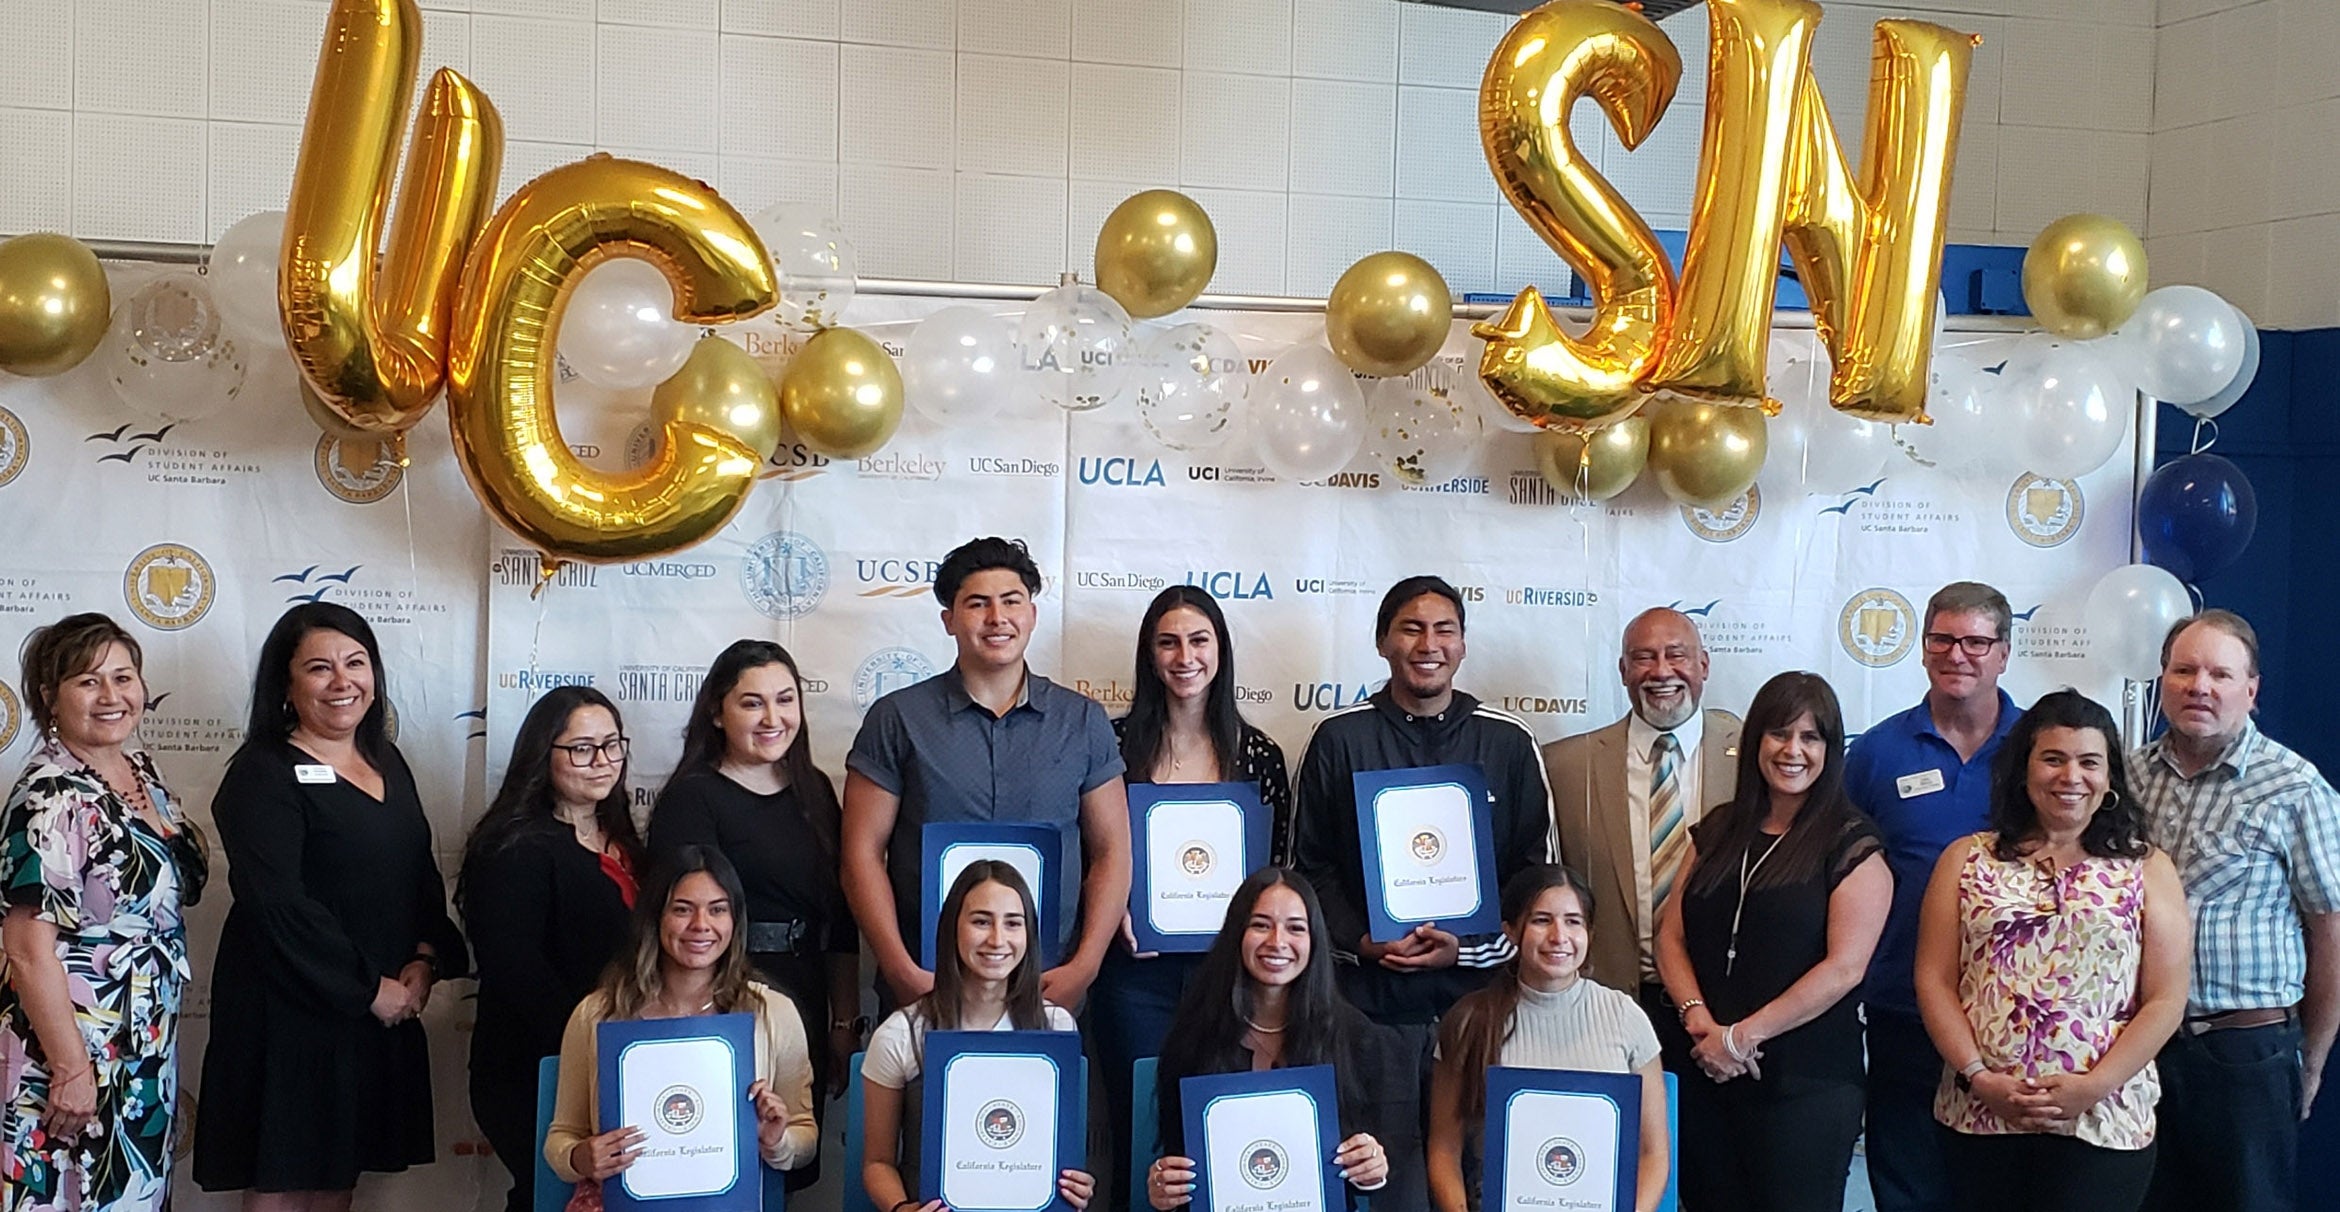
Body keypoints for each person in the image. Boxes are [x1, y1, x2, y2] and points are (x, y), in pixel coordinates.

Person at [1287, 575, 1554, 1212]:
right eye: (1411, 628)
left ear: (1463, 644)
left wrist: (1465, 952)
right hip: (1369, 1016)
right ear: (1383, 642)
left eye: (1444, 630)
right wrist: (1362, 940)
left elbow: (1535, 882)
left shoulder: (1509, 743)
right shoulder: (1339, 739)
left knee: (1488, 1184)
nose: (1428, 644)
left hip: (1483, 1014)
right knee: (1387, 1188)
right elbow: (1305, 871)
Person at [194, 602, 469, 1207]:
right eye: (320, 668)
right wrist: (369, 989)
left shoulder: (386, 760)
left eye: (356, 662)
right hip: (291, 1012)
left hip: (374, 1009)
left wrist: (425, 958)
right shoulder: (262, 775)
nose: (343, 682)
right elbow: (278, 905)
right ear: (286, 688)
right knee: (285, 1187)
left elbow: (417, 873)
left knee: (337, 1183)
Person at [1913, 690, 2188, 1212]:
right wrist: (1979, 1077)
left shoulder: (2148, 869)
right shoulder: (1966, 860)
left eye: (2089, 762)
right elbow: (1934, 980)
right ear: (2024, 769)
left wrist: (2094, 1087)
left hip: (2105, 1118)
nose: (2071, 777)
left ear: (2109, 779)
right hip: (1982, 1111)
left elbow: (2166, 999)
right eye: (2053, 759)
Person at [844, 536, 1131, 1011]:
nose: (997, 619)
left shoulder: (1081, 720)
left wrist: (1085, 966)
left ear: (1033, 616)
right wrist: (899, 970)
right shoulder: (897, 719)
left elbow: (1112, 851)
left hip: (1048, 987)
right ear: (949, 620)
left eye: (1012, 602)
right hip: (927, 983)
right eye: (978, 604)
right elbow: (861, 852)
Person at [1653, 671, 1890, 1212]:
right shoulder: (1716, 829)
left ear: (1831, 750)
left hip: (1806, 1084)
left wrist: (1740, 1038)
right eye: (1780, 733)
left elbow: (1844, 969)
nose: (1793, 751)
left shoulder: (1852, 843)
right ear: (1756, 739)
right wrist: (1701, 1023)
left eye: (1811, 738)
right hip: (1704, 1069)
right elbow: (1670, 935)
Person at [1091, 586, 1292, 1211]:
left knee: (1225, 1132)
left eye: (1199, 640)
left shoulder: (1259, 756)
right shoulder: (1110, 747)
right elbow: (1091, 850)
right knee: (1145, 1134)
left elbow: (1275, 874)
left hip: (1231, 980)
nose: (1185, 656)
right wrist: (1112, 905)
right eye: (1168, 642)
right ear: (1150, 656)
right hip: (1135, 978)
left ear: (1221, 651)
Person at [2132, 611, 2340, 1212]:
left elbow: (2330, 930)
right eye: (2185, 670)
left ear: (2250, 691)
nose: (2201, 686)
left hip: (2245, 1053)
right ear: (2162, 680)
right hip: (2138, 1046)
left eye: (2221, 674)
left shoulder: (2296, 788)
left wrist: (2313, 1057)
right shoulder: (2130, 776)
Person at [0, 614, 199, 1212]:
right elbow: (28, 950)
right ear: (49, 697)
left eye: (124, 677)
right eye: (89, 682)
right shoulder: (51, 794)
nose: (112, 696)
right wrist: (70, 1070)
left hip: (140, 1048)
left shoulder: (142, 773)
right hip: (68, 1058)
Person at [1842, 582, 2024, 1212]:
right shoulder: (1876, 752)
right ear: (1922, 650)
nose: (1958, 655)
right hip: (1902, 1011)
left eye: (1977, 641)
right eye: (1943, 639)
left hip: (2014, 1015)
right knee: (1908, 1188)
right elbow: (1839, 870)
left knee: (2000, 1191)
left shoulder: (2042, 750)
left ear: (2004, 652)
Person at [650, 640, 860, 1128]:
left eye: (785, 700)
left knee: (786, 1150)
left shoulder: (816, 789)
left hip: (805, 997)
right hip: (722, 1002)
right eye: (752, 702)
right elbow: (681, 925)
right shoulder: (691, 799)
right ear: (717, 713)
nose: (773, 717)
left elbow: (841, 917)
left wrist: (844, 1020)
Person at [458, 686, 645, 1212]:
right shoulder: (514, 846)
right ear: (544, 755)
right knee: (549, 1197)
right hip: (536, 1067)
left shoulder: (622, 837)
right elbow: (516, 972)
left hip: (614, 1060)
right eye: (582, 748)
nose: (602, 761)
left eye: (612, 745)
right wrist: (593, 1046)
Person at [544, 846, 819, 1189]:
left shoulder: (772, 1013)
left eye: (717, 910)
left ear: (735, 921)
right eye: (682, 910)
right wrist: (581, 1157)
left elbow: (805, 1137)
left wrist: (777, 1142)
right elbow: (561, 1136)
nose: (701, 925)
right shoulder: (598, 1014)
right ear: (655, 917)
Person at [1145, 868, 1401, 1211]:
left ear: (1315, 941)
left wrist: (1372, 1168)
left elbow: (1371, 1167)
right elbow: (1179, 1163)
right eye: (1260, 925)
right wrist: (1164, 1187)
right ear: (1237, 934)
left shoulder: (1357, 1036)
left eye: (1295, 928)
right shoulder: (1194, 1035)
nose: (1277, 942)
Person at [1428, 865, 1667, 1212]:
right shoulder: (1469, 1022)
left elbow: (1653, 1153)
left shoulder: (1625, 1018)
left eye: (1573, 921)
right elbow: (1443, 1151)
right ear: (1510, 931)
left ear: (1589, 932)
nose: (1559, 936)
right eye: (1542, 920)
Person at [858, 861, 1092, 1212]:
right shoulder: (900, 1034)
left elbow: (1055, 1155)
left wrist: (1074, 1184)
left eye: (1013, 923)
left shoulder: (1056, 1027)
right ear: (953, 928)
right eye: (981, 921)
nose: (998, 939)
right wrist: (901, 1208)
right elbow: (877, 1163)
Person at [1544, 606, 1742, 1005]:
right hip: (1601, 1005)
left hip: (1726, 1007)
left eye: (1677, 654)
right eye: (1644, 657)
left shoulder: (1755, 759)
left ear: (1703, 665)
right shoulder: (1563, 767)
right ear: (1623, 671)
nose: (1661, 671)